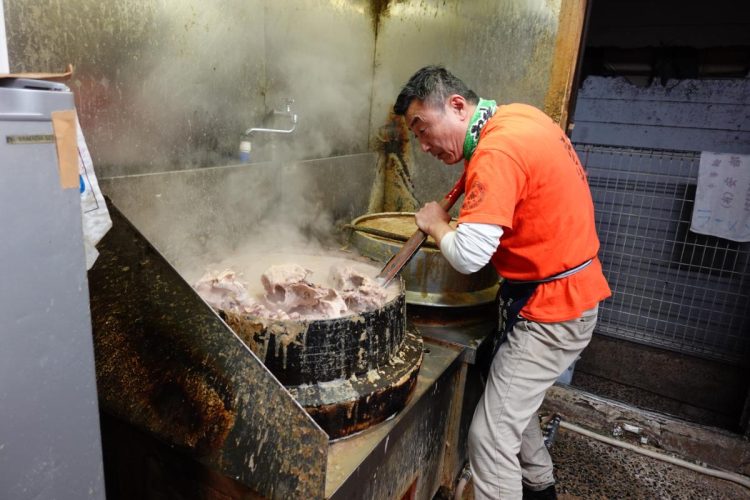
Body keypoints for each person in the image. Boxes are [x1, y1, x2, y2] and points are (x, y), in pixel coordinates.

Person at [393, 66, 611, 500]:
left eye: (423, 129)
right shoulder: (518, 117)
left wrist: (436, 223)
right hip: (563, 295)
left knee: (489, 440)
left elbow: (470, 256)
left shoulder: (498, 150)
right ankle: (539, 488)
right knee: (511, 404)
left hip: (551, 311)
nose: (423, 145)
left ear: (456, 106)